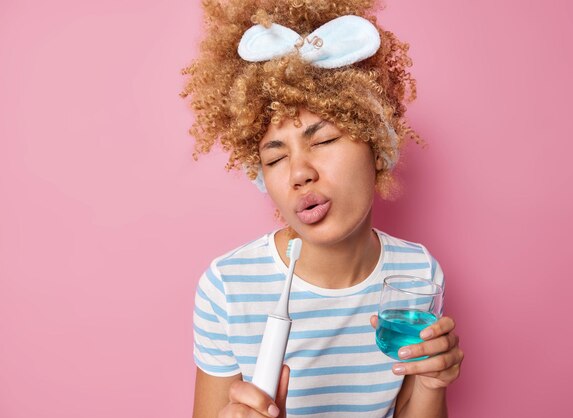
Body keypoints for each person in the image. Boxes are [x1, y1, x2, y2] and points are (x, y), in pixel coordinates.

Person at [181, 1, 464, 417]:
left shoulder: (417, 276)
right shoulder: (229, 289)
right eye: (275, 159)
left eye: (325, 140)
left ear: (378, 146)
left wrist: (431, 381)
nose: (299, 173)